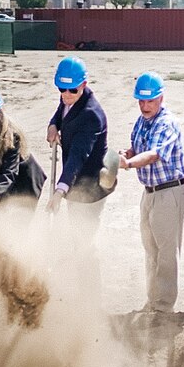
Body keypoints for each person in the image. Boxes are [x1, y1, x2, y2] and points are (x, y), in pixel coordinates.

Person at [119, 72, 184, 313]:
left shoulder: (167, 123)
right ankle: (153, 300)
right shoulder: (142, 121)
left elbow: (153, 154)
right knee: (151, 249)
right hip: (149, 192)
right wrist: (128, 153)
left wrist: (129, 164)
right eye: (141, 101)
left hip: (169, 192)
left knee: (166, 251)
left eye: (150, 101)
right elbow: (140, 148)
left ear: (161, 98)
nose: (145, 106)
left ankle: (164, 306)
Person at [44, 57, 117, 238]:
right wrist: (53, 125)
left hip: (90, 185)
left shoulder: (91, 116)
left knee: (84, 237)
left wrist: (59, 191)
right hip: (74, 183)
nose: (66, 94)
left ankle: (88, 264)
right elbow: (61, 112)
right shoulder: (70, 97)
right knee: (75, 232)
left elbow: (78, 156)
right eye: (62, 89)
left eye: (72, 90)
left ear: (83, 84)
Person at [0, 85, 46, 211]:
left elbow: (9, 171)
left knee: (16, 224)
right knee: (1, 215)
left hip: (25, 180)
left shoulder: (11, 135)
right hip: (2, 176)